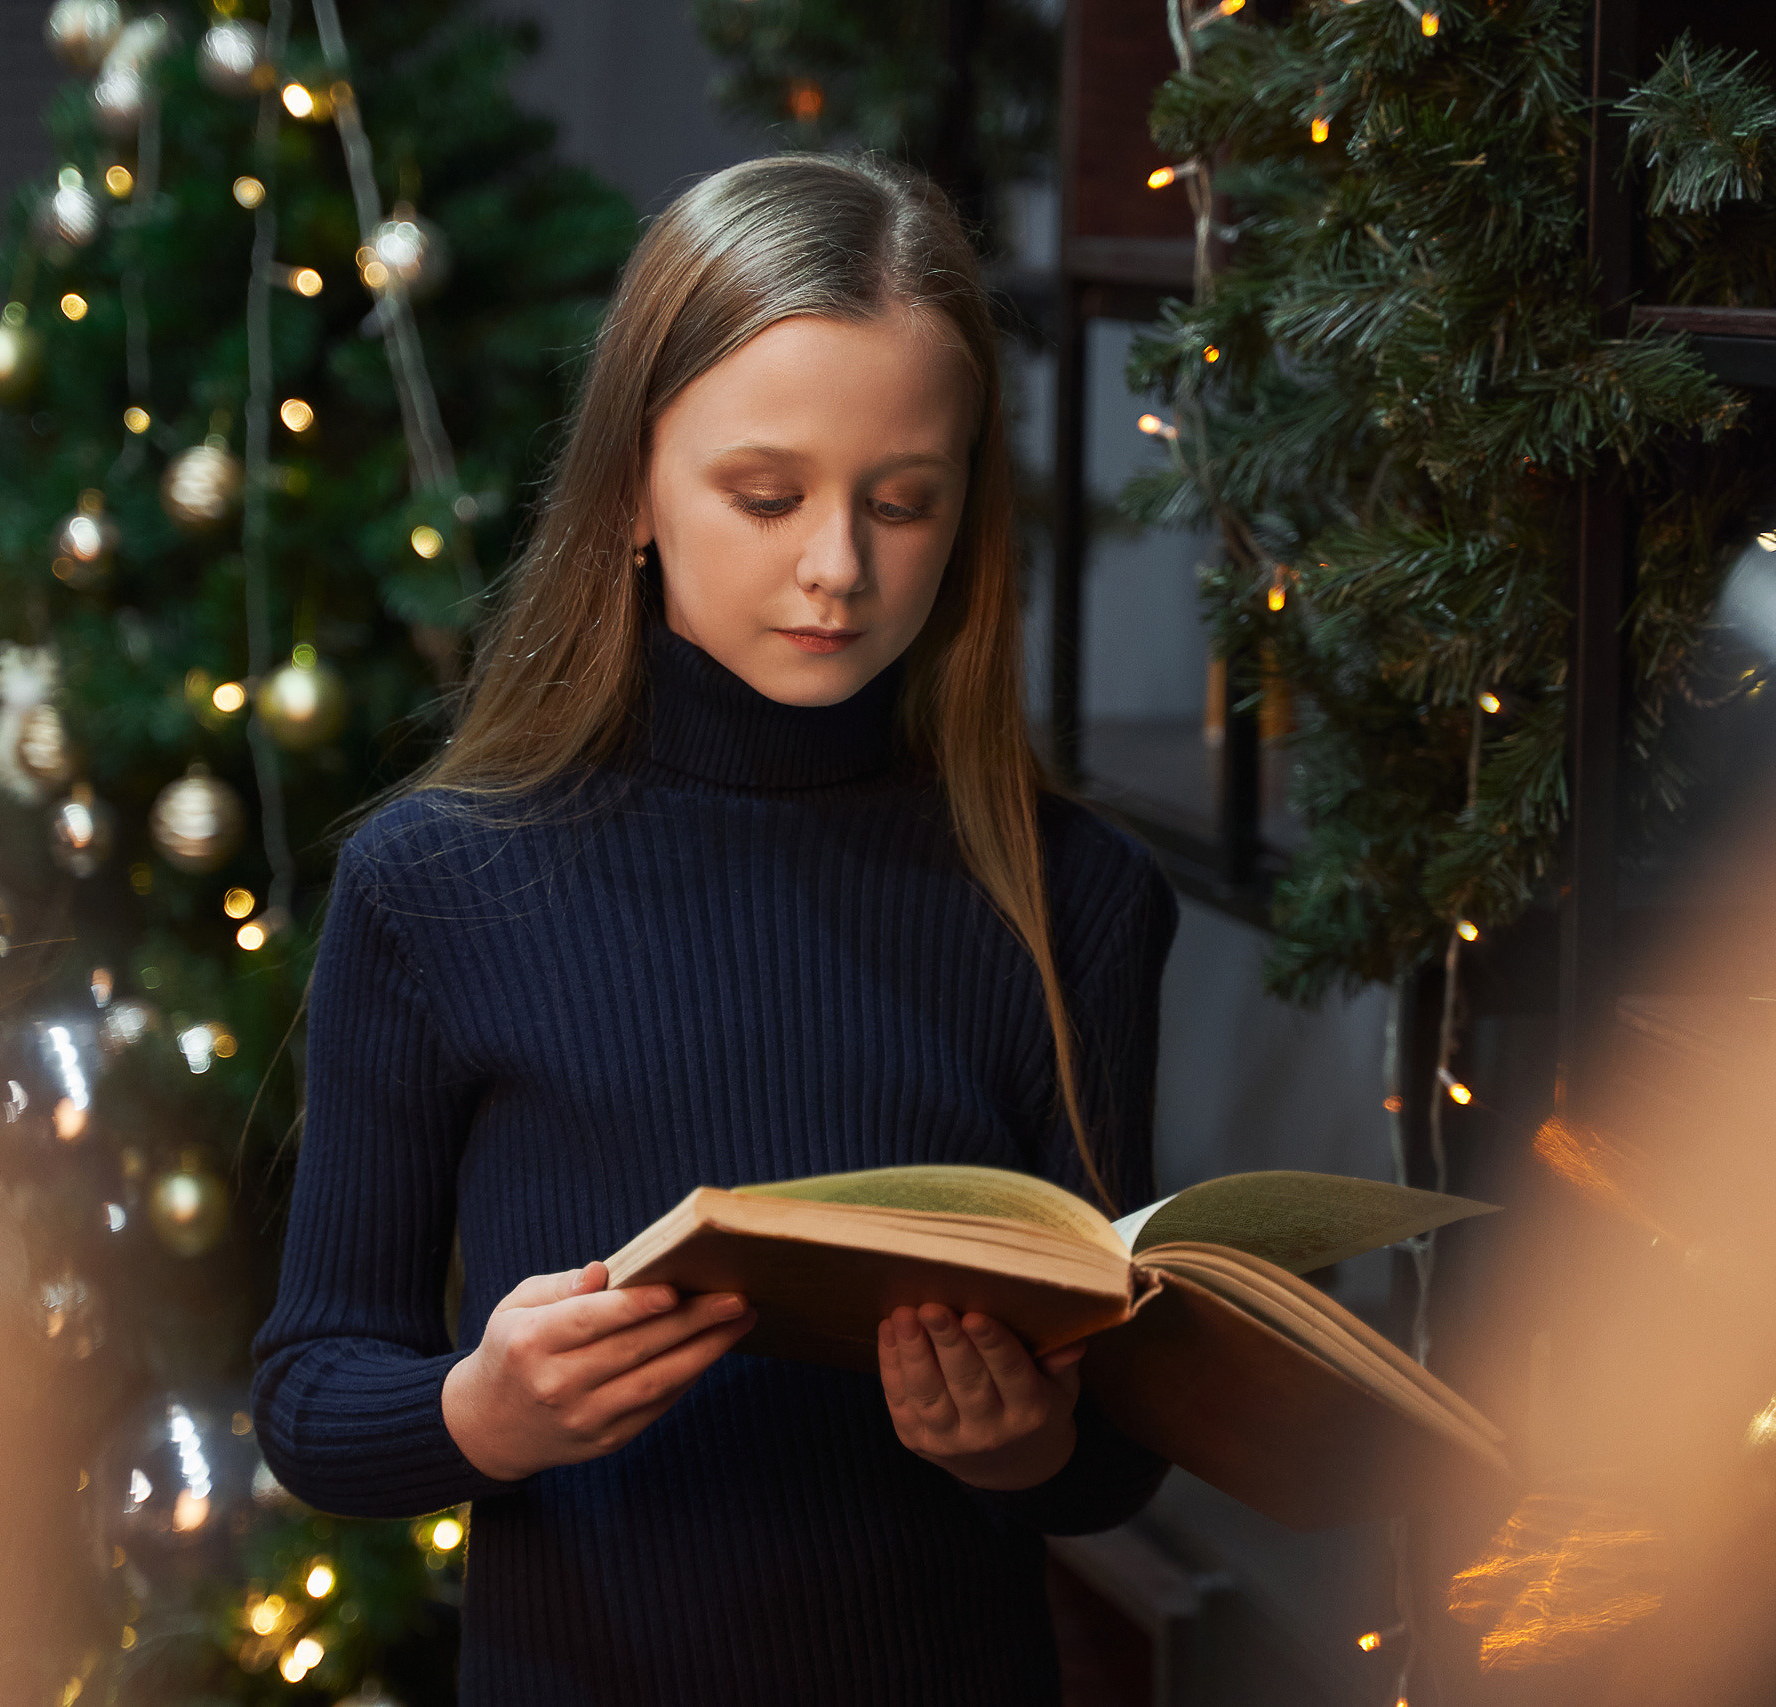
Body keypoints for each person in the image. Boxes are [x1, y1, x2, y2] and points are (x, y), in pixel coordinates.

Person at [252, 153, 1178, 1705]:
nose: (837, 568)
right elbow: (313, 1393)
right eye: (765, 497)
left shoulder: (1069, 892)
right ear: (632, 489)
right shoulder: (438, 884)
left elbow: (1116, 1453)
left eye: (904, 503)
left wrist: (1032, 1445)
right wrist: (485, 1414)